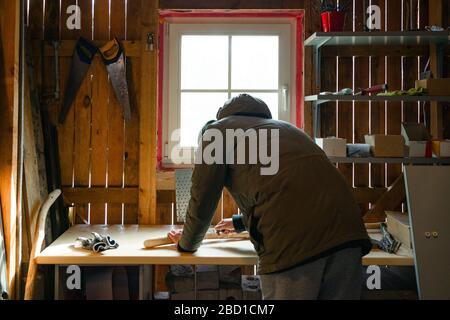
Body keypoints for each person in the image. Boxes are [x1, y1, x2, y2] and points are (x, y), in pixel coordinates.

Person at [168, 94, 371, 300]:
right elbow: (297, 194)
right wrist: (240, 222)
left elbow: (203, 196)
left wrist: (187, 244)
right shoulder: (287, 129)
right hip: (348, 234)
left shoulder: (216, 131)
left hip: (294, 245)